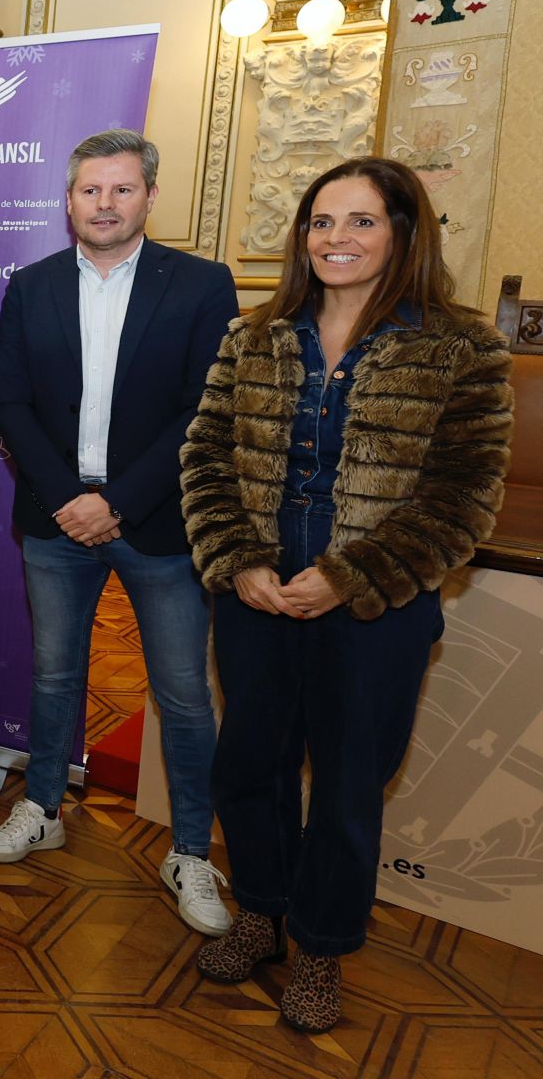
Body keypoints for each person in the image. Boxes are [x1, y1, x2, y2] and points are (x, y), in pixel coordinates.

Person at [181, 157, 511, 1033]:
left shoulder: (462, 345)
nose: (336, 240)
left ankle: (322, 946)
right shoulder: (253, 334)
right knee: (248, 760)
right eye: (321, 222)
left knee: (348, 781)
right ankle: (260, 910)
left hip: (375, 599)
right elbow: (207, 455)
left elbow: (466, 494)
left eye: (361, 222)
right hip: (255, 580)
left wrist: (351, 575)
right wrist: (238, 557)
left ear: (404, 232)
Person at [0, 129, 238, 937]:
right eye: (90, 190)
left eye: (122, 190)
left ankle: (192, 849)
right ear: (68, 199)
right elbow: (10, 400)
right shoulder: (33, 284)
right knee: (56, 678)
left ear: (150, 197)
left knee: (184, 697)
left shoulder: (201, 285)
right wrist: (70, 499)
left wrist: (116, 502)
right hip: (57, 520)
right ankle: (43, 806)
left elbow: (205, 409)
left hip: (158, 522)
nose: (105, 204)